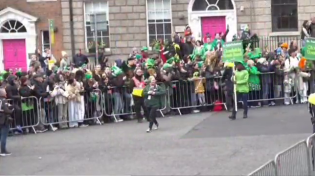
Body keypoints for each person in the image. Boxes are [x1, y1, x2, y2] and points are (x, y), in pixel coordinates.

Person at [0, 88, 14, 156]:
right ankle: (3, 151)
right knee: (4, 135)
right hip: (3, 118)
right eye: (4, 92)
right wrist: (11, 111)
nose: (6, 93)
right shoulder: (3, 100)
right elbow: (6, 110)